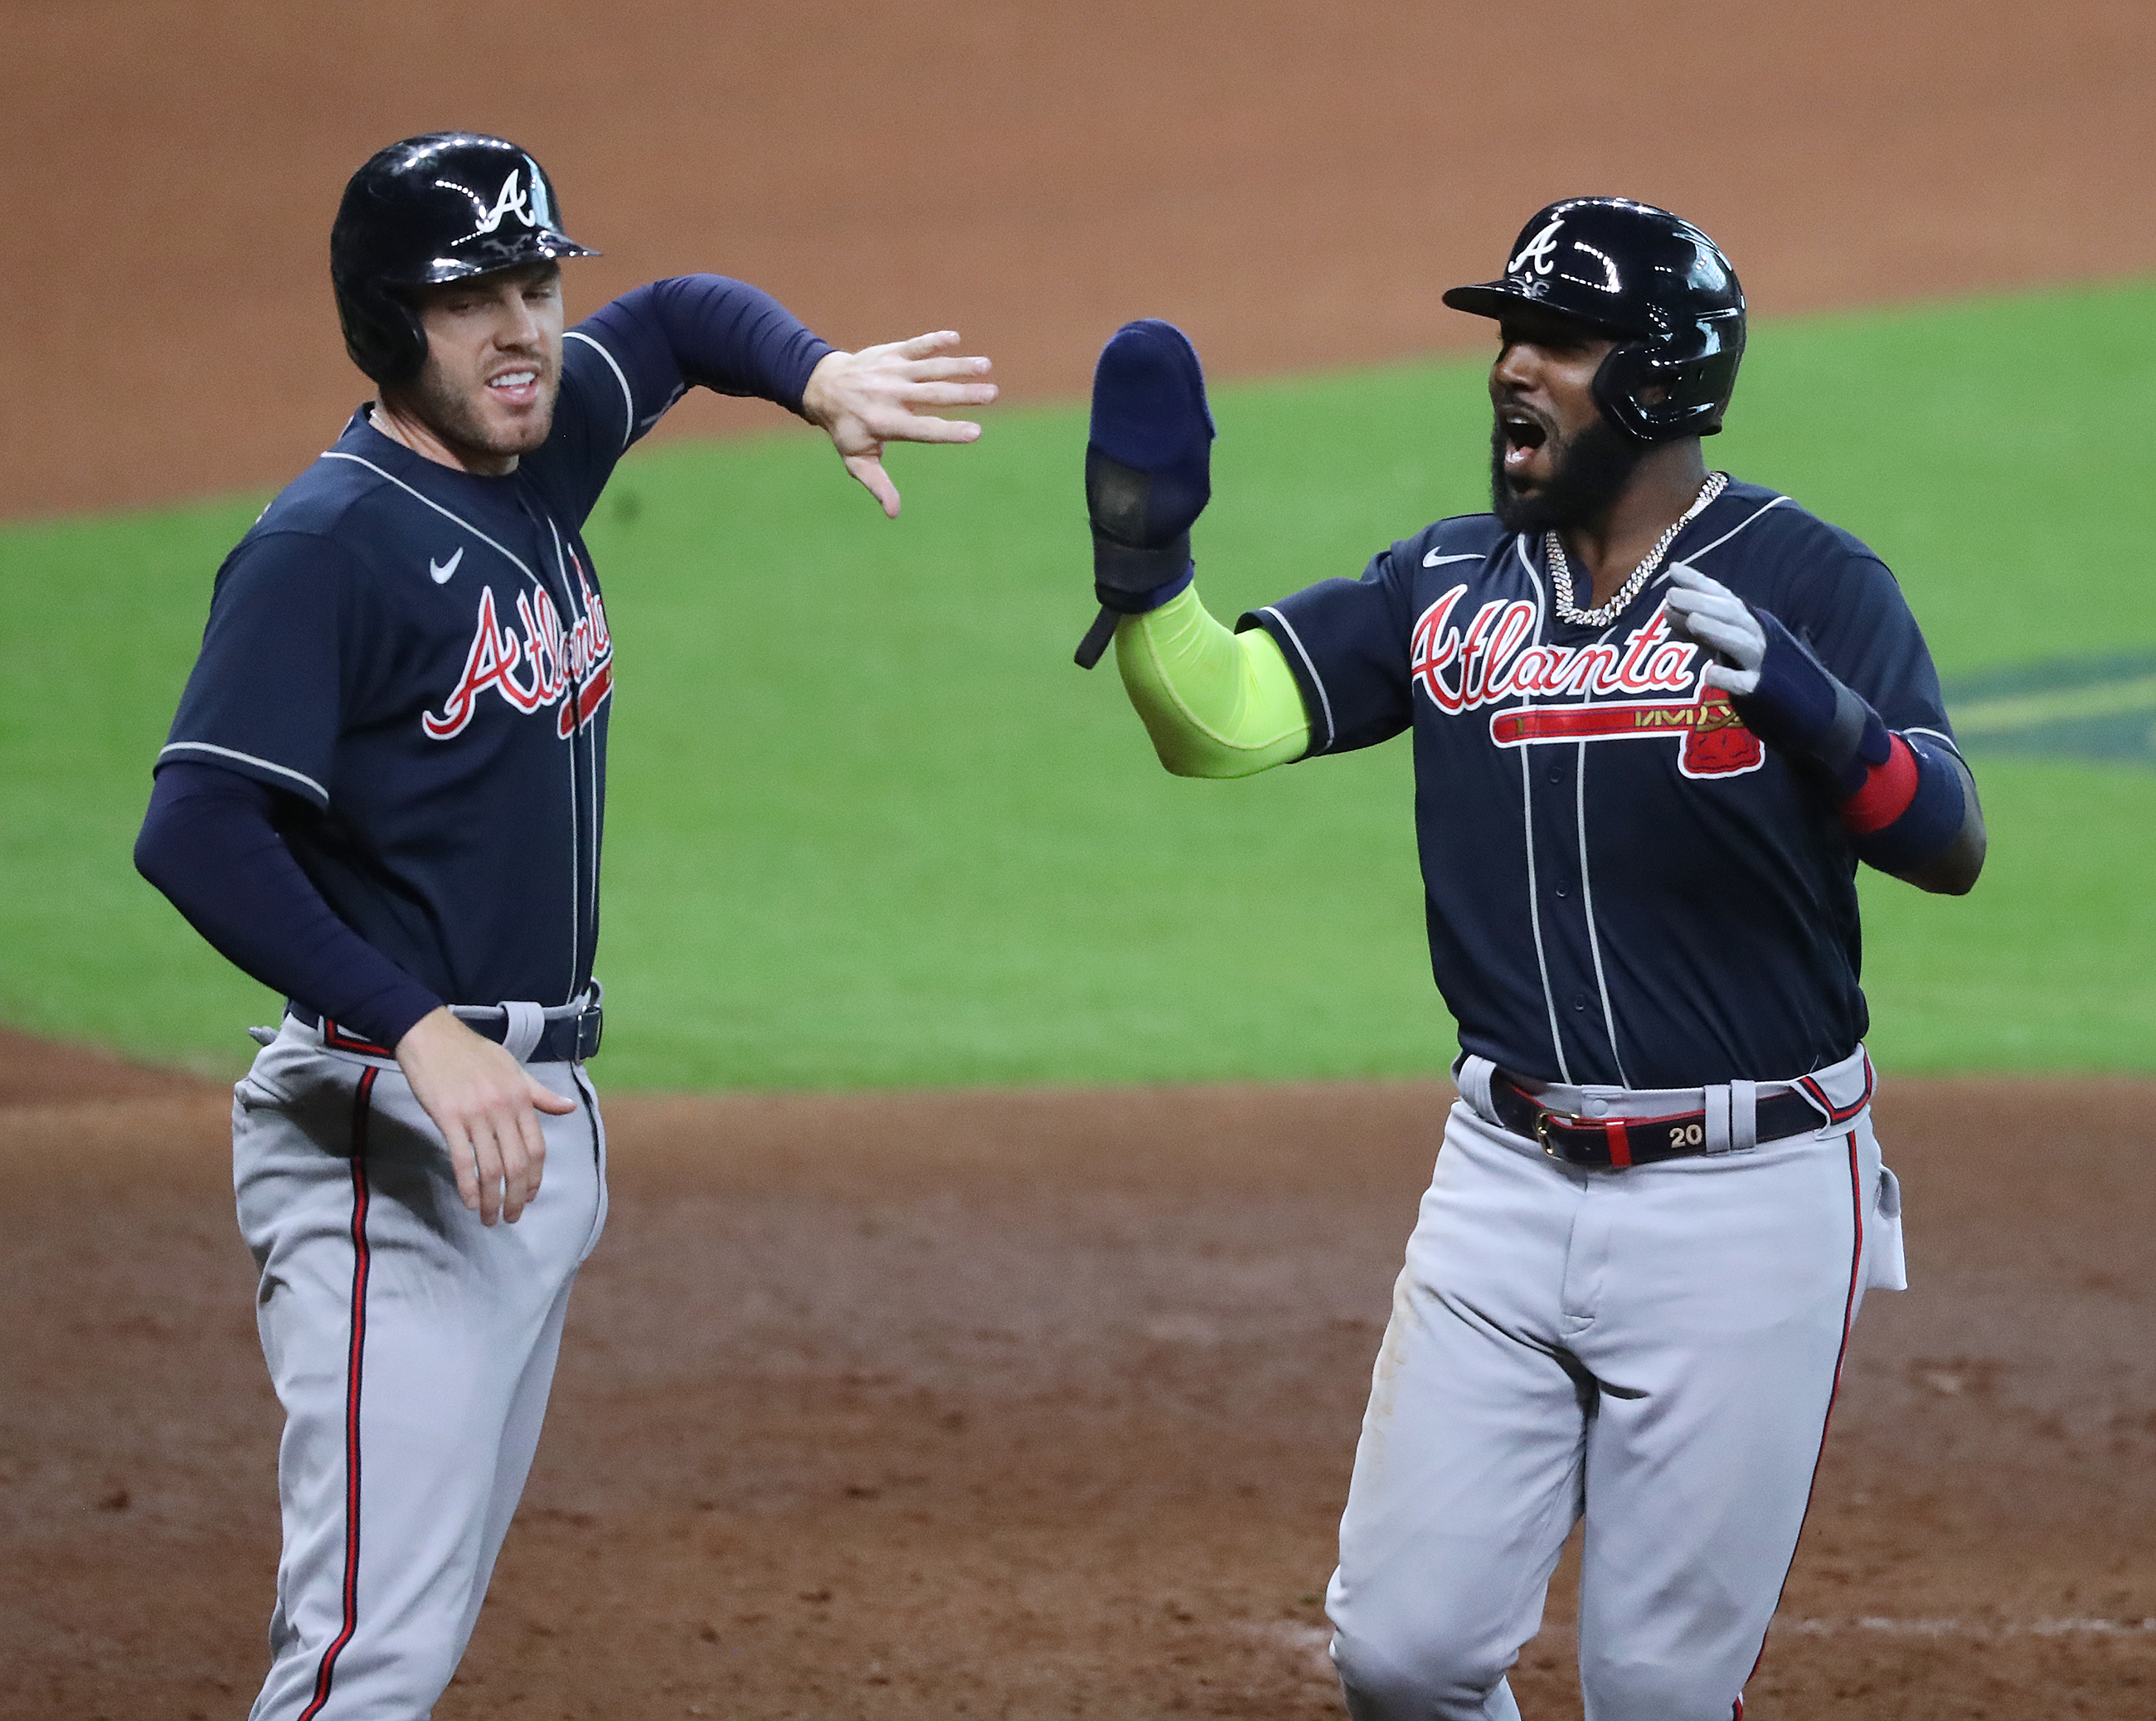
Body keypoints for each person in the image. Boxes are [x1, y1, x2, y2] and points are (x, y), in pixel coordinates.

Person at [1076, 198, 1981, 1720]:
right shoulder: (1447, 584)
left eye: (1559, 341)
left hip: (1745, 1199)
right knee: (1404, 1657)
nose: (1513, 369)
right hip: (1502, 1179)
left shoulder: (1813, 583)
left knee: (1653, 1699)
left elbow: (1945, 837)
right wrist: (1146, 574)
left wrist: (1817, 716)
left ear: (1662, 377)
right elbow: (1225, 723)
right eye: (1508, 335)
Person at [133, 131, 995, 1719]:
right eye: (475, 298)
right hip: (384, 1125)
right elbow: (194, 826)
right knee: (363, 1661)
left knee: (416, 1630)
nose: (525, 327)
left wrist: (812, 380)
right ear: (390, 322)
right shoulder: (328, 546)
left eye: (536, 284)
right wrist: (419, 1027)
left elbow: (670, 318)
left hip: (519, 1125)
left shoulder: (536, 455)